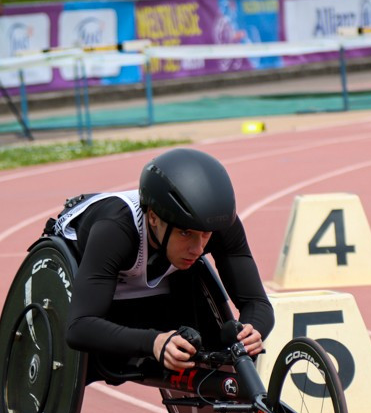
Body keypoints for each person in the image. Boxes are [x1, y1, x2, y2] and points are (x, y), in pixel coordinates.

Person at [48, 148, 274, 375]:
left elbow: (257, 303)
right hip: (91, 289)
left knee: (221, 351)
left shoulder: (220, 225)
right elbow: (79, 328)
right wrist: (153, 342)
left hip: (160, 286)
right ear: (154, 217)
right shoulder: (115, 230)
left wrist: (251, 332)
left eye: (206, 235)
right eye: (186, 233)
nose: (198, 248)